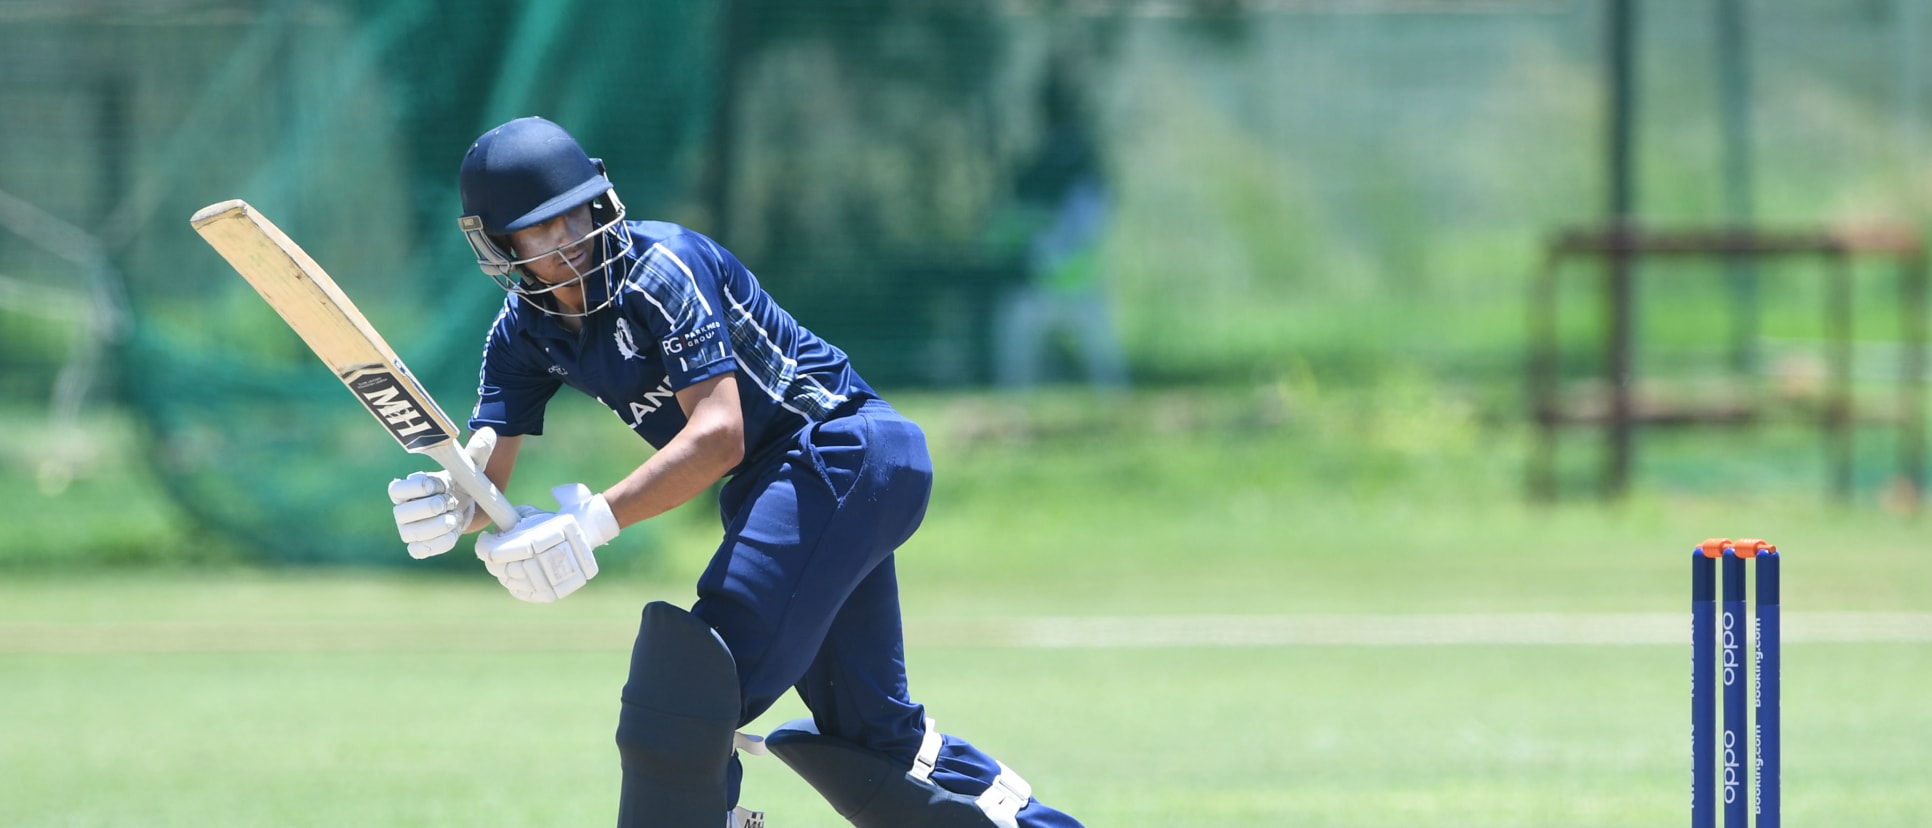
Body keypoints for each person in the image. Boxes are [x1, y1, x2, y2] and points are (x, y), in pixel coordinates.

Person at [384, 116, 1086, 828]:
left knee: (685, 698)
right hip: (799, 485)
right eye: (541, 229)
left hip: (842, 452)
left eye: (576, 213)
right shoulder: (520, 333)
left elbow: (719, 436)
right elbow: (487, 470)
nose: (569, 240)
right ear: (503, 247)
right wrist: (453, 498)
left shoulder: (660, 269)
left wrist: (592, 522)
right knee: (872, 741)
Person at [988, 58, 1126, 392]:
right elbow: (1010, 227)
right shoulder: (1047, 169)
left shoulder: (1081, 171)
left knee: (1107, 367)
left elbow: (1083, 223)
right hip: (1042, 287)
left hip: (1078, 287)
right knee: (1016, 336)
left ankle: (1120, 409)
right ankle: (1013, 411)